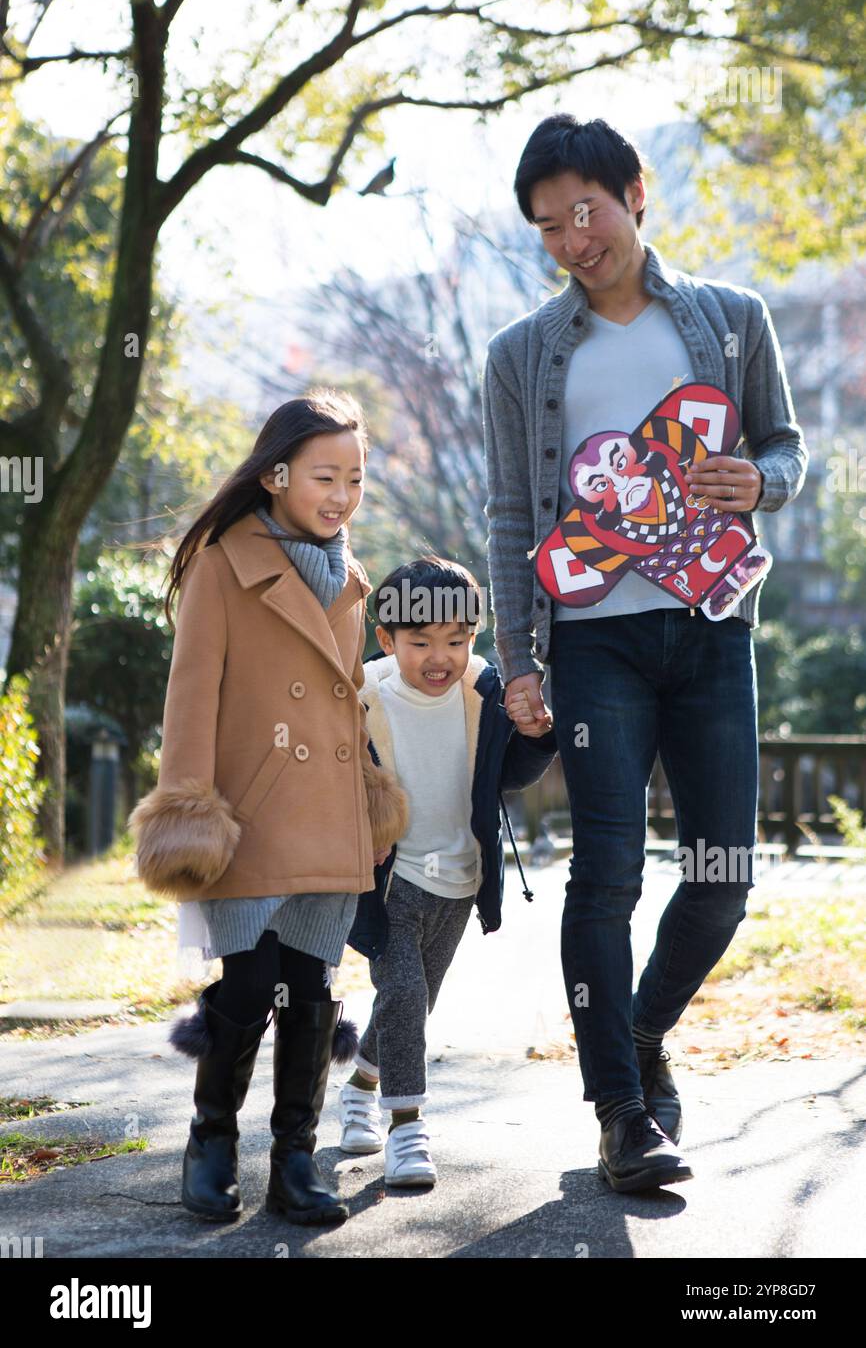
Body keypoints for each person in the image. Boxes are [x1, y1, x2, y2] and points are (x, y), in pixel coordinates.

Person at [481, 115, 809, 1194]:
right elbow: (511, 510)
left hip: (711, 626)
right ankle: (621, 1109)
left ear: (631, 193)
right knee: (607, 872)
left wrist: (758, 483)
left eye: (582, 211)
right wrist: (517, 657)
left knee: (722, 878)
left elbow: (785, 444)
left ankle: (638, 1028)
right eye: (546, 228)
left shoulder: (726, 318)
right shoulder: (520, 353)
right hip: (592, 642)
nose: (571, 241)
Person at [128, 389, 408, 1226]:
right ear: (277, 474)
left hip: (326, 810)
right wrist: (188, 802)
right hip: (247, 814)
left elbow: (348, 699)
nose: (342, 495)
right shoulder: (222, 560)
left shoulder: (350, 576)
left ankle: (295, 1157)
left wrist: (367, 786)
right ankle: (211, 1139)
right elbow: (191, 694)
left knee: (313, 988)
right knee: (249, 986)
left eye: (355, 479)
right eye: (326, 476)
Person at [337, 557, 558, 1186]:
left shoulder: (482, 692)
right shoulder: (364, 698)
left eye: (457, 641)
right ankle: (406, 1126)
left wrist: (537, 738)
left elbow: (502, 775)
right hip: (390, 880)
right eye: (421, 642)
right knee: (404, 991)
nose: (441, 657)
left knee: (412, 1003)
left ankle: (359, 1087)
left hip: (460, 880)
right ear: (387, 639)